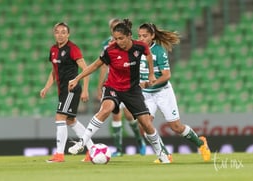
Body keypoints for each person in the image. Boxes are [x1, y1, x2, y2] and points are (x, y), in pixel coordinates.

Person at [68, 19, 171, 163]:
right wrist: (77, 78)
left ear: (129, 35)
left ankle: (161, 154)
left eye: (121, 38)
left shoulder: (140, 47)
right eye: (115, 38)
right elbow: (95, 66)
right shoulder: (110, 50)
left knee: (146, 123)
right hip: (113, 87)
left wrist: (152, 73)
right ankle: (82, 142)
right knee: (106, 109)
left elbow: (148, 55)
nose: (118, 41)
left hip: (132, 90)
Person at [137, 23, 211, 162]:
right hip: (146, 95)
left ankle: (201, 143)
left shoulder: (159, 51)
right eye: (139, 36)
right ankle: (165, 155)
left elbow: (166, 75)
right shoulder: (136, 50)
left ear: (152, 36)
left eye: (145, 36)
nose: (141, 39)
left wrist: (149, 83)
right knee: (144, 125)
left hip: (162, 92)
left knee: (176, 127)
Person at [40, 22, 94, 163]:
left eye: (63, 32)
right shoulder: (53, 49)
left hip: (71, 88)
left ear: (68, 34)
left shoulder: (72, 49)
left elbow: (86, 69)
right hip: (62, 90)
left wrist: (85, 90)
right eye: (57, 32)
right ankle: (92, 150)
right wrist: (46, 87)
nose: (60, 34)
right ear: (54, 34)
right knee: (70, 120)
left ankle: (59, 154)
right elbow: (54, 71)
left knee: (60, 117)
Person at [97, 18, 146, 157]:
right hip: (113, 83)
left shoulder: (129, 43)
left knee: (130, 115)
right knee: (115, 115)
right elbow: (103, 65)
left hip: (128, 83)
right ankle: (118, 149)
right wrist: (100, 86)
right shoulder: (107, 44)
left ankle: (140, 141)